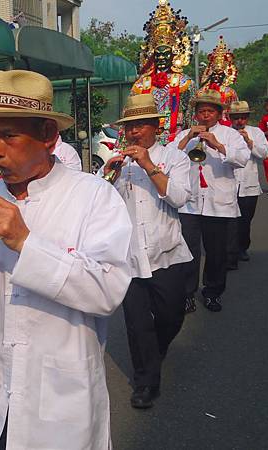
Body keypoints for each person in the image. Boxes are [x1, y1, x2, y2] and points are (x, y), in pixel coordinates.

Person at [0, 70, 133, 449]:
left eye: (9, 136)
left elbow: (108, 291)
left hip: (58, 409)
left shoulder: (94, 196)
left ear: (49, 138)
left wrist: (24, 241)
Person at [103, 94, 192, 409]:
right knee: (137, 325)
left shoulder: (174, 158)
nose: (133, 132)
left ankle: (155, 350)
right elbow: (101, 207)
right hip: (129, 258)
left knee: (171, 316)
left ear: (156, 126)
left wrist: (149, 165)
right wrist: (107, 176)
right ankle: (145, 383)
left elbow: (180, 198)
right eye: (129, 126)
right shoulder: (119, 163)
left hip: (165, 253)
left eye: (141, 125)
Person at [167, 89, 250, 313]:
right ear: (195, 114)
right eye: (201, 111)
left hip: (218, 204)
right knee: (188, 251)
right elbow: (167, 158)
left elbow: (243, 159)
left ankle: (213, 292)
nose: (205, 115)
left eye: (209, 111)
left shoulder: (230, 135)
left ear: (218, 114)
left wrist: (217, 145)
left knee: (216, 252)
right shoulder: (185, 134)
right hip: (190, 203)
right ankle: (187, 294)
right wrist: (187, 138)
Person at [130, 0, 195, 144]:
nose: (161, 57)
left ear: (173, 54)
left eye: (165, 54)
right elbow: (131, 115)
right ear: (152, 55)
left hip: (177, 138)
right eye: (157, 54)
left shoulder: (185, 82)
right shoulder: (140, 85)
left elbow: (191, 116)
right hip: (146, 139)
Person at [226, 101, 268, 268]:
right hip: (230, 184)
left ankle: (242, 247)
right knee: (231, 221)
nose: (240, 121)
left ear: (247, 118)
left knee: (245, 220)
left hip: (249, 185)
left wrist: (250, 142)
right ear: (231, 118)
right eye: (236, 118)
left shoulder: (256, 132)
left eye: (243, 118)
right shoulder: (226, 133)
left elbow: (264, 154)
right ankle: (230, 254)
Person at [198, 36, 239, 126]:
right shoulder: (201, 92)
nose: (216, 77)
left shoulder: (230, 92)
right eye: (214, 74)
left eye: (220, 75)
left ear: (225, 75)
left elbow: (235, 112)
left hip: (225, 125)